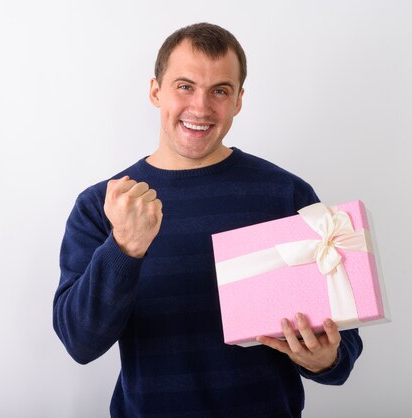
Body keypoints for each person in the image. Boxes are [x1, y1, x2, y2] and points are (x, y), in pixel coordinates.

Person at [53, 22, 362, 417]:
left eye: (220, 90)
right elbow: (79, 342)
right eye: (185, 86)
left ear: (238, 101)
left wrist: (324, 358)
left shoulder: (287, 196)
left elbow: (344, 349)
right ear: (155, 91)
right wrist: (125, 248)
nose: (200, 107)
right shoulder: (105, 205)